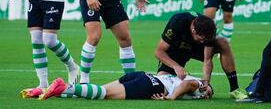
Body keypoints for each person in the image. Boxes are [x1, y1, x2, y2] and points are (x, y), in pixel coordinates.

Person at [154, 12, 247, 100]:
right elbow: (158, 52)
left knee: (223, 42)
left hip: (195, 49)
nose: (203, 42)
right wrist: (176, 66)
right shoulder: (178, 22)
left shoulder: (207, 29)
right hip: (177, 49)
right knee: (164, 79)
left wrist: (206, 81)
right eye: (201, 39)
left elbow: (207, 59)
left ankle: (234, 89)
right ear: (193, 30)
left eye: (205, 40)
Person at [35, 71, 213, 101]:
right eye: (209, 91)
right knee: (104, 94)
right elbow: (189, 84)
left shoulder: (194, 82)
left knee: (96, 92)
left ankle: (45, 91)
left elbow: (165, 75)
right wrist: (171, 97)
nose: (207, 94)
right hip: (151, 85)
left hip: (144, 76)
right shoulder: (197, 84)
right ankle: (64, 86)